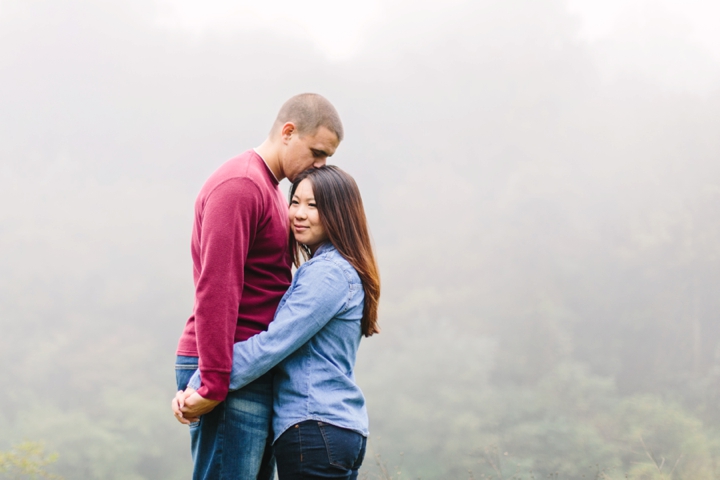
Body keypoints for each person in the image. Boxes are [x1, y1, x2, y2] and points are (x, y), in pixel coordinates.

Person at [173, 94, 343, 480]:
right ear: (288, 132)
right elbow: (217, 286)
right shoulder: (240, 185)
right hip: (227, 364)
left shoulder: (267, 187)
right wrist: (215, 383)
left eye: (327, 158)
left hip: (245, 365)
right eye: (316, 153)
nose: (320, 166)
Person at [174, 165, 381, 479]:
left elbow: (273, 343)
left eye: (313, 205)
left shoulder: (327, 273)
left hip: (315, 426)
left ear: (339, 212)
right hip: (335, 428)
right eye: (294, 202)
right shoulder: (338, 269)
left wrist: (201, 383)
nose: (298, 213)